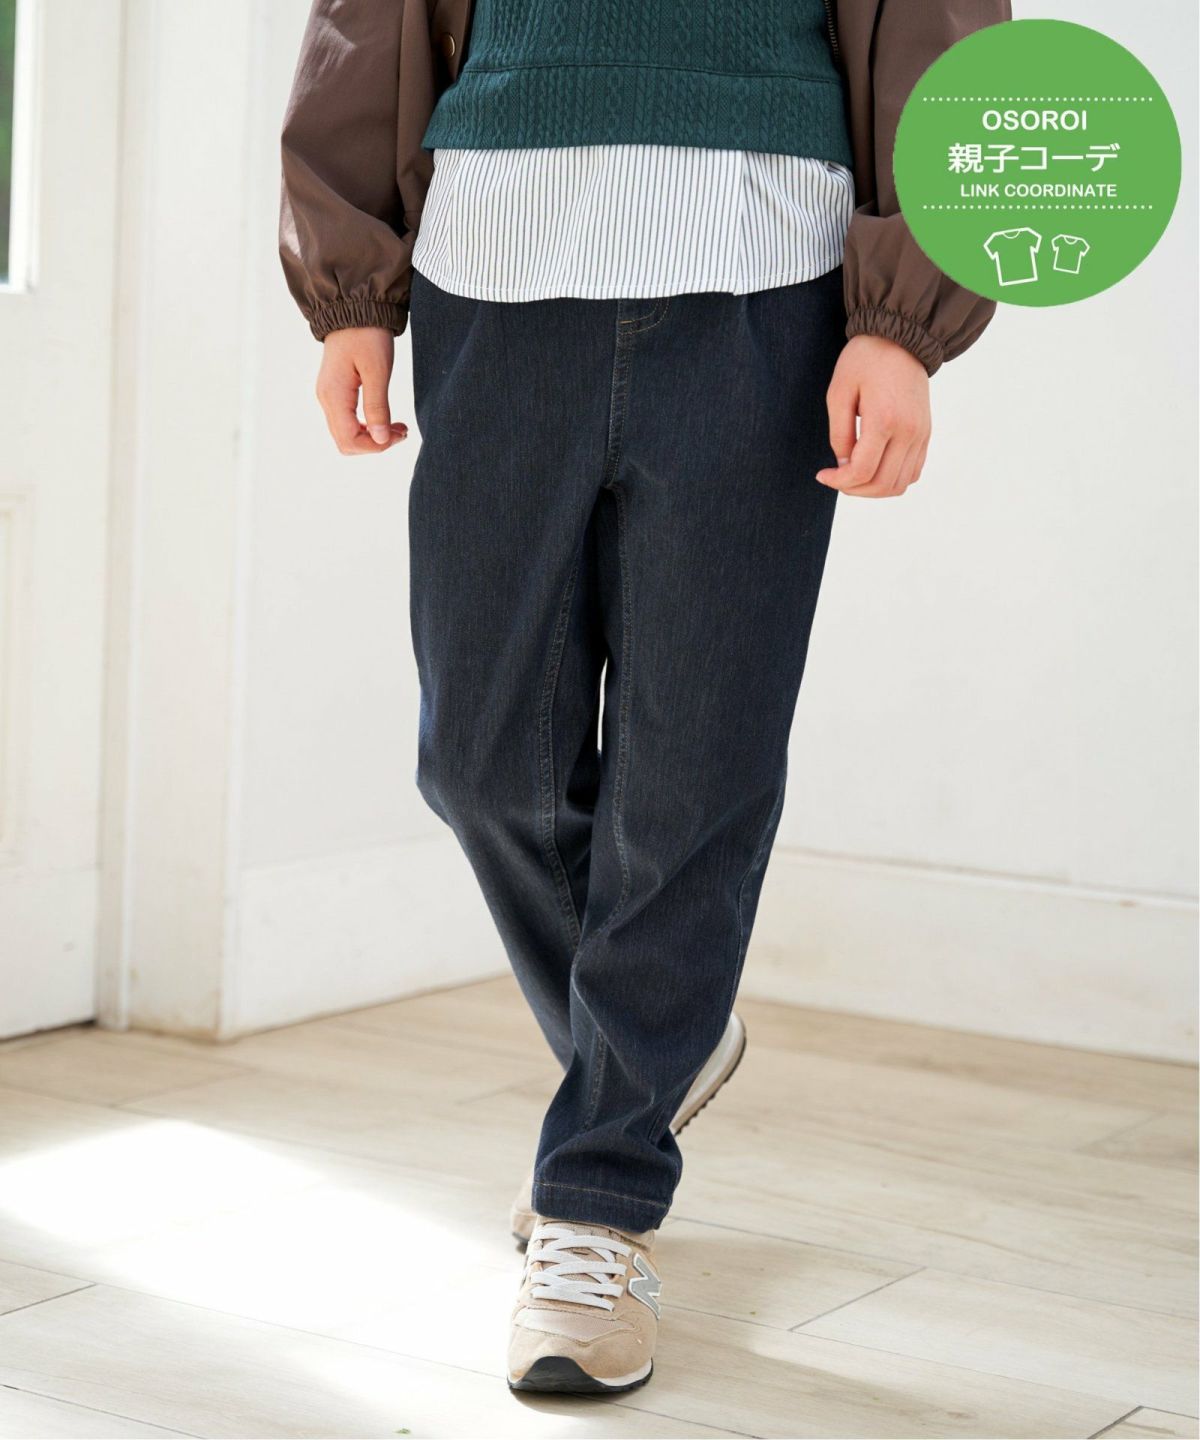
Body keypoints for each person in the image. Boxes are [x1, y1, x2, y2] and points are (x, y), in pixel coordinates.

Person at [280, 0, 1008, 1396]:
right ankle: (664, 1035)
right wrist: (352, 287)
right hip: (495, 257)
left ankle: (597, 1202)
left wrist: (905, 319)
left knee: (694, 775)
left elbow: (944, 25)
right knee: (478, 761)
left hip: (765, 276)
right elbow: (360, 22)